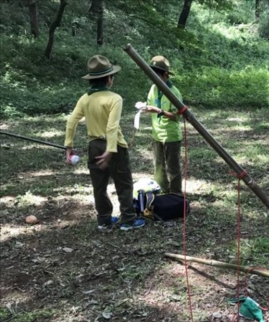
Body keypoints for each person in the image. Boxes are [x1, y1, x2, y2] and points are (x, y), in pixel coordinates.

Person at [64, 55, 144, 231]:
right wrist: (110, 150)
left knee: (98, 185)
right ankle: (128, 220)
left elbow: (71, 121)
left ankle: (104, 220)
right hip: (114, 146)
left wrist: (68, 147)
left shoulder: (85, 98)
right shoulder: (115, 98)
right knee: (123, 183)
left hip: (93, 145)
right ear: (109, 79)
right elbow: (112, 126)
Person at [142, 56, 183, 195]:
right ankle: (162, 191)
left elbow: (176, 117)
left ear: (165, 75)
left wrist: (159, 111)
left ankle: (176, 194)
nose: (154, 79)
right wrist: (145, 108)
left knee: (173, 168)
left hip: (171, 136)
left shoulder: (174, 92)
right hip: (156, 135)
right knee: (158, 166)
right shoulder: (153, 88)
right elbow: (150, 104)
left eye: (157, 75)